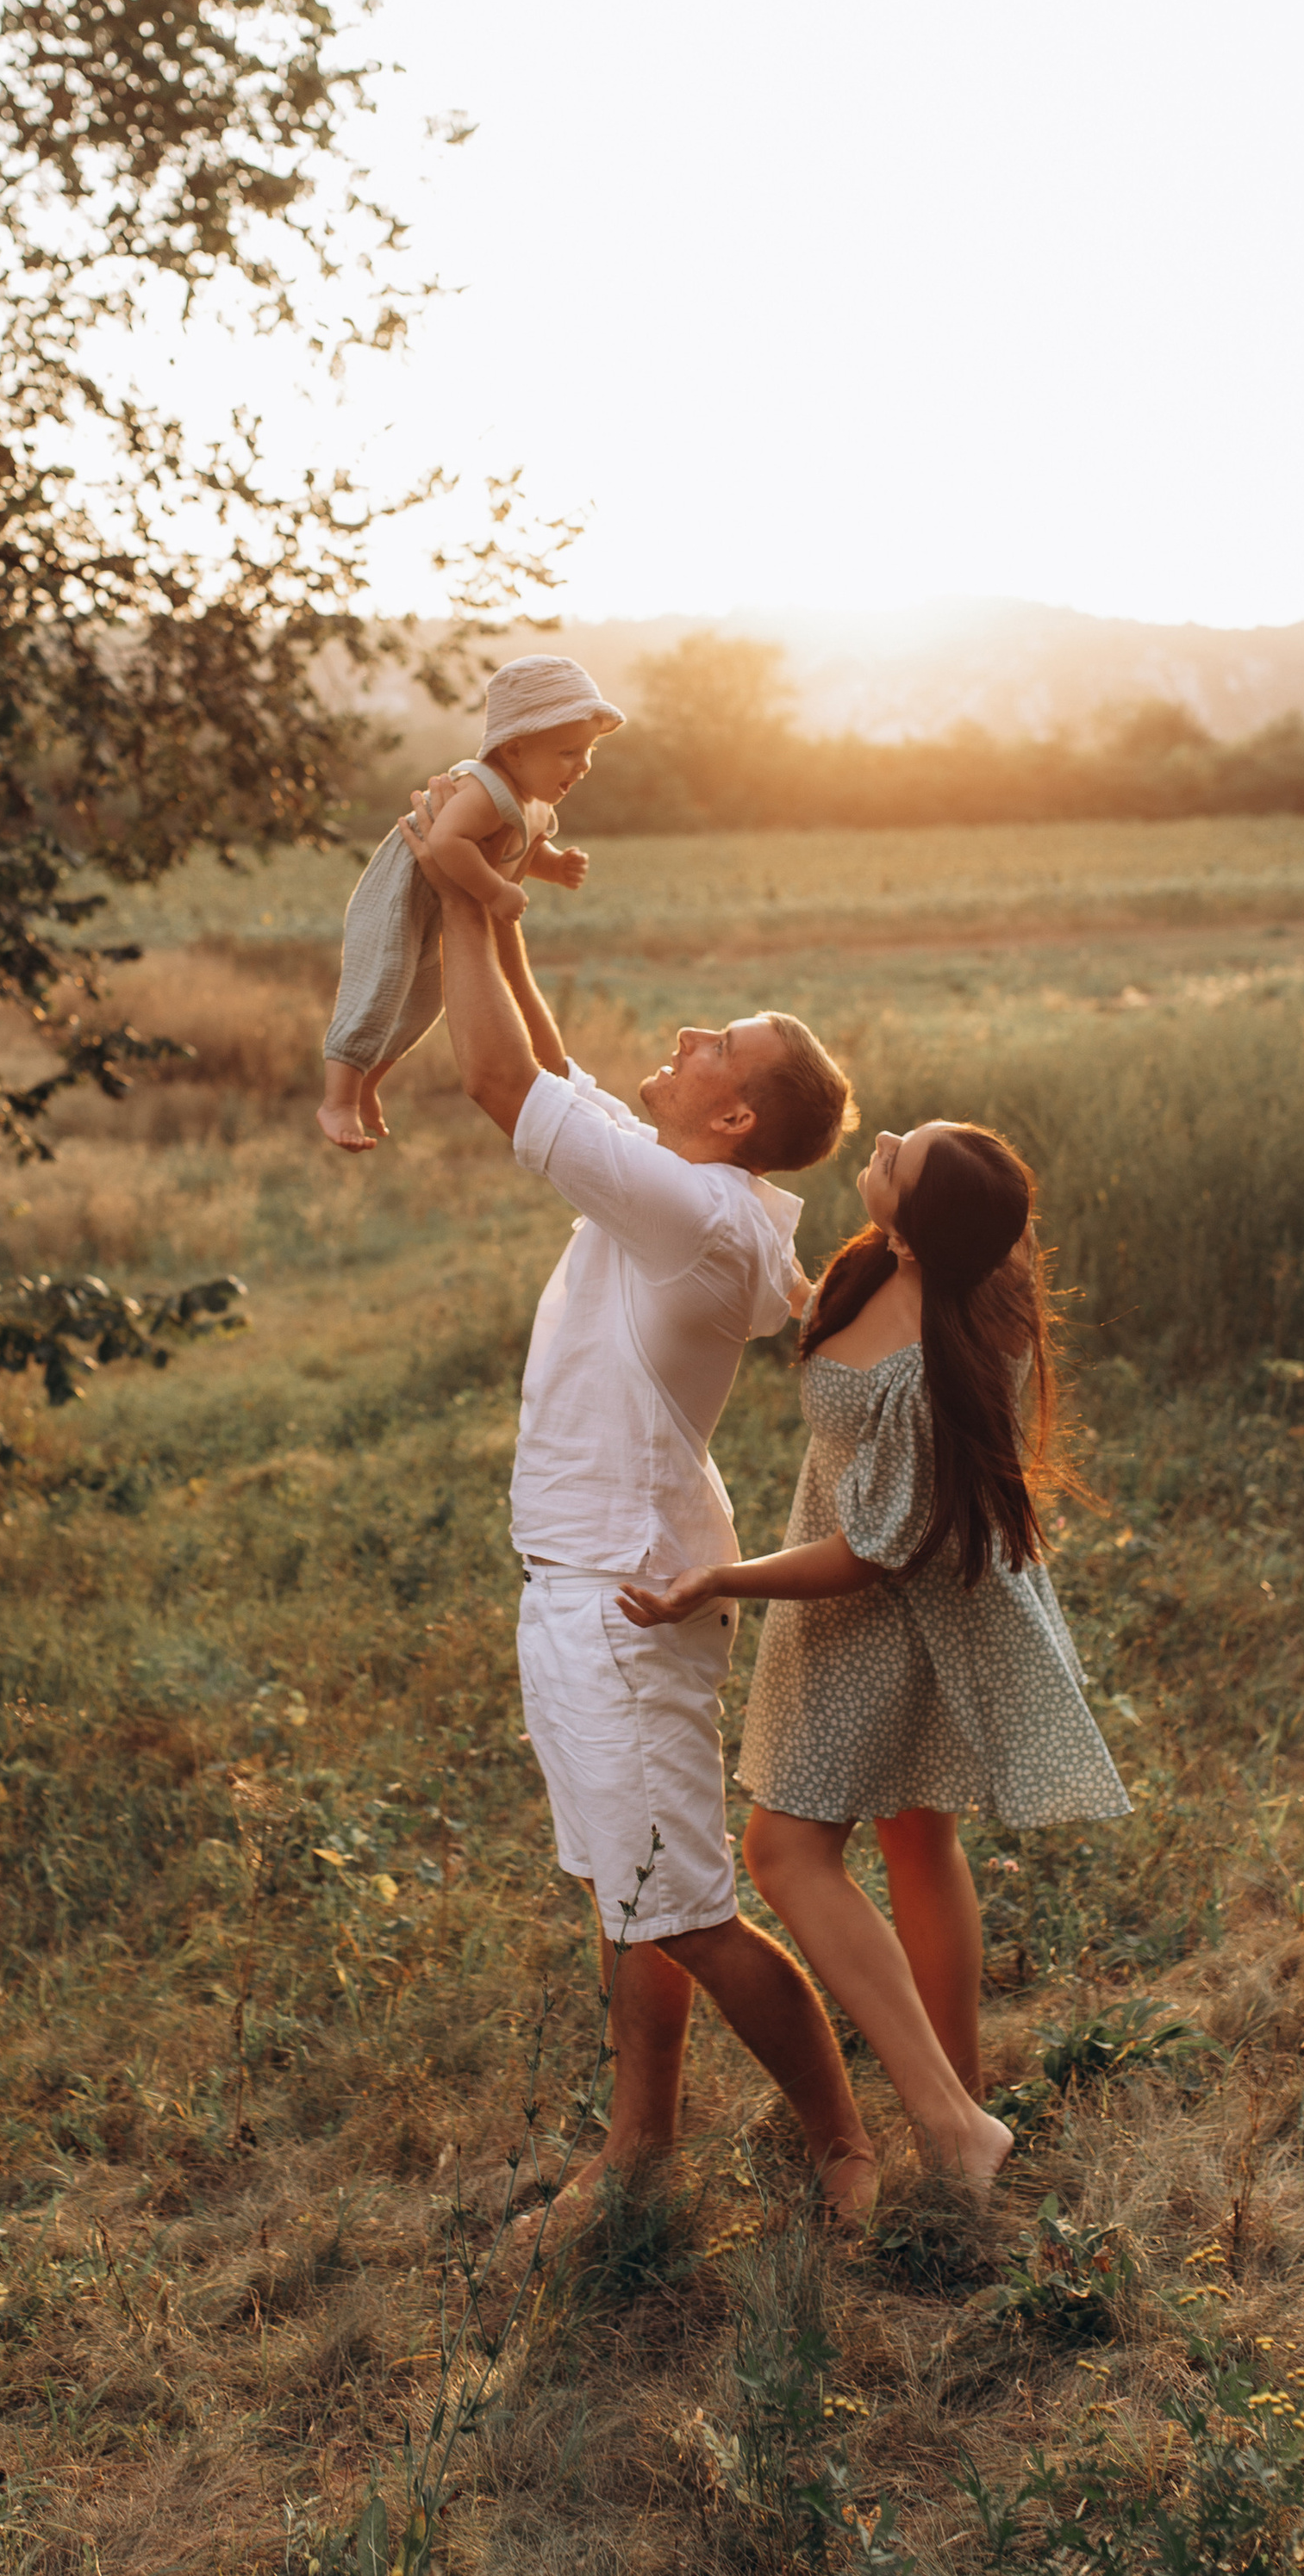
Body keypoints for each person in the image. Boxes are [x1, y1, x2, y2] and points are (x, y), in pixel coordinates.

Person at [395, 801, 881, 2227]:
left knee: (683, 1901)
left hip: (624, 1592)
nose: (685, 1040)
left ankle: (844, 2143)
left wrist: (445, 887)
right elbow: (547, 1062)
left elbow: (493, 1076)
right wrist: (494, 908)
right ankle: (640, 2151)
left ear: (735, 1118)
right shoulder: (684, 1190)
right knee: (634, 1888)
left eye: (716, 1044)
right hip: (585, 1574)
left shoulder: (697, 1217)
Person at [619, 1120, 1129, 2203]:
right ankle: (963, 2104)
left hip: (891, 1608)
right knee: (912, 1828)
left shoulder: (933, 1365)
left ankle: (949, 2123)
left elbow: (867, 1554)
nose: (885, 1138)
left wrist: (719, 1580)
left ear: (916, 1236)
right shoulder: (927, 1270)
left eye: (897, 1158)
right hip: (917, 1574)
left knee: (785, 1850)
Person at [316, 654, 624, 1153]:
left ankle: (370, 1082)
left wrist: (554, 866)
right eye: (569, 752)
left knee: (424, 1005)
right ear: (516, 749)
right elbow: (447, 844)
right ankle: (337, 1099)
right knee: (381, 983)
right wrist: (496, 891)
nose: (583, 765)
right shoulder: (485, 788)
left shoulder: (536, 804)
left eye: (588, 751)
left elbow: (521, 848)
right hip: (398, 900)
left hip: (440, 907)